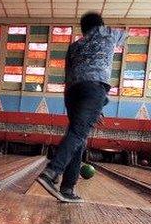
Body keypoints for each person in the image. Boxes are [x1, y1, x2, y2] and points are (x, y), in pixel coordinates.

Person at [37, 12, 127, 203]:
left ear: (83, 30)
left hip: (72, 92)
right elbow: (125, 36)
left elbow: (68, 73)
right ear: (101, 25)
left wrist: (95, 106)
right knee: (78, 134)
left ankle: (67, 188)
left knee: (78, 137)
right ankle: (52, 172)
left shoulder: (74, 46)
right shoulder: (109, 34)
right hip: (93, 89)